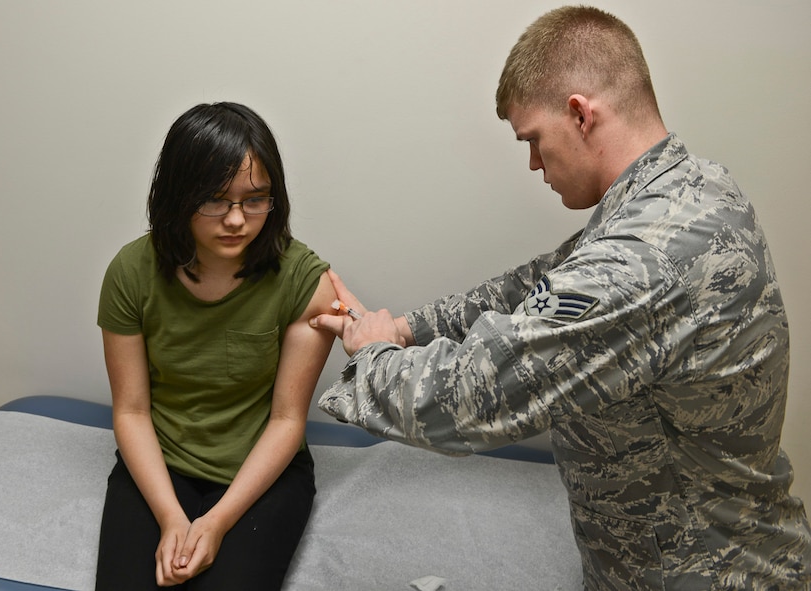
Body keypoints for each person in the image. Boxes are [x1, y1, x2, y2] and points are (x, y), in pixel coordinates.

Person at [309, 6, 811, 590]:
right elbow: (538, 283)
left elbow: (469, 400)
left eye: (534, 140)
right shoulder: (686, 191)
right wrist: (410, 328)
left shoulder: (646, 262)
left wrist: (372, 356)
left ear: (579, 113)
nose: (532, 162)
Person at [95, 102, 337, 590]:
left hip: (262, 473)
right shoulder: (130, 273)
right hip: (159, 464)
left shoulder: (306, 282)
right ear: (177, 195)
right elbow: (133, 412)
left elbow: (288, 420)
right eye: (215, 200)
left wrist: (216, 521)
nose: (236, 220)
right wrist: (170, 517)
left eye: (255, 200)